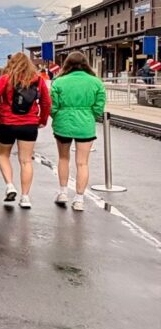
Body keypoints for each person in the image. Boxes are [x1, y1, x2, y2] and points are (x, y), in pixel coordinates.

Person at [0, 52, 51, 208]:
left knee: (3, 155)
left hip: (7, 123)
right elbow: (46, 102)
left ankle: (9, 185)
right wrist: (42, 120)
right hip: (29, 125)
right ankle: (25, 197)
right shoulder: (38, 80)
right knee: (26, 161)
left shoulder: (6, 78)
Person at [50, 51, 106, 211]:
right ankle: (79, 199)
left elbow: (53, 105)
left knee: (63, 158)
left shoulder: (59, 82)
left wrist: (57, 115)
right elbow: (99, 105)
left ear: (67, 64)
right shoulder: (96, 82)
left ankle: (62, 193)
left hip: (63, 123)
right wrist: (91, 115)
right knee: (82, 163)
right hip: (85, 124)